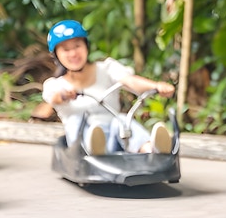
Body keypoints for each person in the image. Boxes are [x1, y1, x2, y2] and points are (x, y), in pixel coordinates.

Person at [41, 19, 175, 155]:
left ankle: (152, 150)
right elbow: (55, 98)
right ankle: (95, 150)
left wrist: (157, 86)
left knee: (122, 120)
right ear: (57, 55)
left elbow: (130, 81)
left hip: (114, 138)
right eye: (66, 50)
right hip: (81, 145)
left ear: (86, 46)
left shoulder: (107, 68)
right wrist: (65, 95)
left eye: (77, 46)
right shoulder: (55, 85)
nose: (73, 54)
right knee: (79, 122)